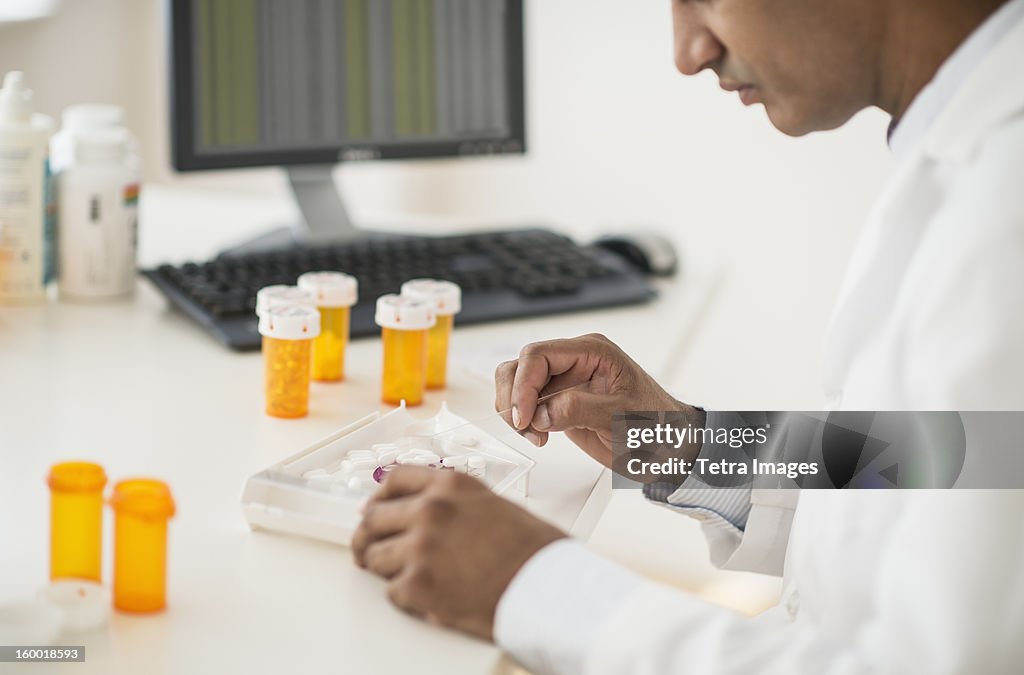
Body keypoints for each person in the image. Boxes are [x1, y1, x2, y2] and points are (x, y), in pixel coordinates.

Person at [352, 0, 1024, 672]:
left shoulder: (1006, 220)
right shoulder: (961, 157)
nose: (688, 51)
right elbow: (946, 466)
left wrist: (531, 584)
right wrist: (681, 443)